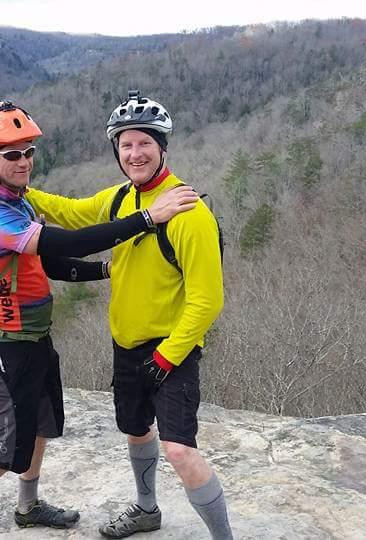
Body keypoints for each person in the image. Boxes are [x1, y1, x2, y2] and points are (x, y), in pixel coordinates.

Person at [0, 100, 199, 540]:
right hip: (3, 345)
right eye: (11, 154)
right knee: (2, 451)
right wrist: (147, 217)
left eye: (28, 152)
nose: (23, 162)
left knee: (41, 425)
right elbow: (72, 239)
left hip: (34, 339)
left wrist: (105, 271)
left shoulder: (18, 205)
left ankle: (28, 507)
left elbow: (52, 261)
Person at [24, 91, 233, 539]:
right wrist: (17, 188)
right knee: (136, 430)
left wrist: (167, 357)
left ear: (162, 147)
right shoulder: (122, 198)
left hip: (170, 349)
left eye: (144, 143)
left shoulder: (188, 214)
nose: (135, 153)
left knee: (179, 449)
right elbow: (73, 213)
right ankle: (146, 509)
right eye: (126, 144)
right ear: (116, 151)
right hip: (126, 344)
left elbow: (207, 300)